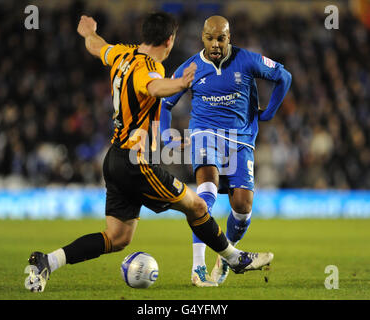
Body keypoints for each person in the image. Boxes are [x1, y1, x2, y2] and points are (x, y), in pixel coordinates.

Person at [24, 13, 273, 292]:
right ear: (169, 40)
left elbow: (98, 47)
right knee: (198, 206)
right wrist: (179, 84)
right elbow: (154, 86)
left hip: (114, 159)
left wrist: (88, 34)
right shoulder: (150, 68)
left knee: (118, 238)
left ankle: (48, 260)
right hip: (135, 163)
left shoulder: (122, 54)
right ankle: (235, 258)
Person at [160, 15, 291, 287]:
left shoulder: (247, 60)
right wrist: (165, 135)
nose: (216, 43)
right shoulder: (191, 67)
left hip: (241, 140)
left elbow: (284, 77)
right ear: (202, 38)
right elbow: (165, 103)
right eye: (210, 38)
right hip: (204, 133)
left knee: (242, 209)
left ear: (229, 37)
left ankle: (227, 254)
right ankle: (198, 267)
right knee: (205, 195)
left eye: (221, 38)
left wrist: (268, 112)